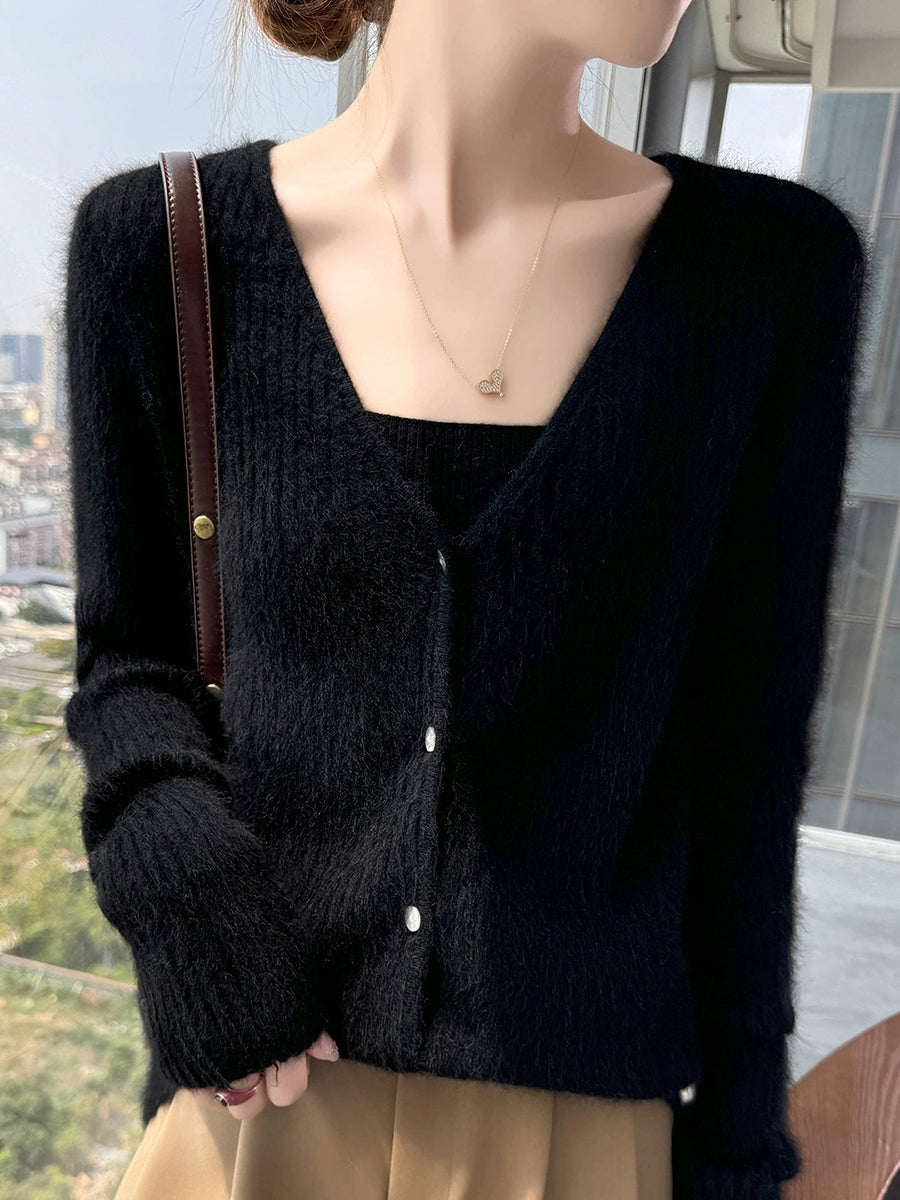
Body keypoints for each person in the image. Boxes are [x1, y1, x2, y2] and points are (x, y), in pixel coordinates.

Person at [62, 0, 869, 1196]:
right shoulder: (163, 246)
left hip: (583, 1142)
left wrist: (740, 1147)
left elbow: (747, 749)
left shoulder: (767, 273)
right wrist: (187, 895)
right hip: (257, 1118)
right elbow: (130, 667)